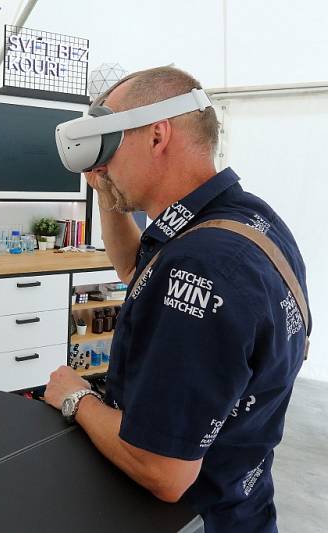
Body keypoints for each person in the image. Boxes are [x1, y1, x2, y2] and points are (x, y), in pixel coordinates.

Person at [44, 66, 309, 532]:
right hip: (243, 500)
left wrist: (77, 398)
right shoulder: (245, 220)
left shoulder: (198, 268)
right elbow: (135, 270)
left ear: (157, 135)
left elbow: (163, 472)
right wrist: (107, 187)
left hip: (191, 518)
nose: (99, 163)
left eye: (108, 145)